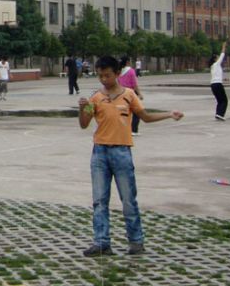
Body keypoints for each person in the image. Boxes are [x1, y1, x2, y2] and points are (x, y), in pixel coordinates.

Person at [78, 55, 183, 256]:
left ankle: (136, 242)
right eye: (100, 76)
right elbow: (84, 123)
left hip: (122, 151)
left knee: (128, 198)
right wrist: (82, 109)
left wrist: (169, 114)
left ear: (117, 74)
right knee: (99, 200)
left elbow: (145, 117)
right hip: (100, 152)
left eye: (107, 75)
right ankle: (101, 242)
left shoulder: (128, 95)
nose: (104, 80)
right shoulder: (96, 98)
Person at [118, 56, 143, 135]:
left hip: (121, 93)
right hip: (131, 93)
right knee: (137, 111)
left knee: (123, 112)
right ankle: (134, 130)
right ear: (128, 62)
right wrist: (139, 94)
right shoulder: (131, 71)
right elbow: (135, 84)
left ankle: (121, 128)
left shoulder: (118, 71)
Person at [210, 41, 228, 120]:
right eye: (217, 57)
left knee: (219, 100)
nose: (218, 58)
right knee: (224, 100)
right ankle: (220, 114)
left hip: (213, 85)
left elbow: (216, 76)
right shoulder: (216, 64)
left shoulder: (213, 67)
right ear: (215, 59)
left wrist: (224, 79)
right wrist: (223, 47)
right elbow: (222, 55)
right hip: (217, 84)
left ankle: (218, 114)